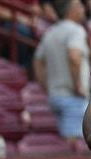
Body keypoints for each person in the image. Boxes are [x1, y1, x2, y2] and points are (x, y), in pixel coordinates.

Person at [34, 0, 90, 147]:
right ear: (70, 11)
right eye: (79, 6)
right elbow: (74, 57)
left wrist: (46, 86)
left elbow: (38, 61)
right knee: (76, 147)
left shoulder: (51, 31)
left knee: (62, 146)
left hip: (55, 96)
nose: (83, 9)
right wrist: (78, 84)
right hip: (72, 97)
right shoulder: (76, 30)